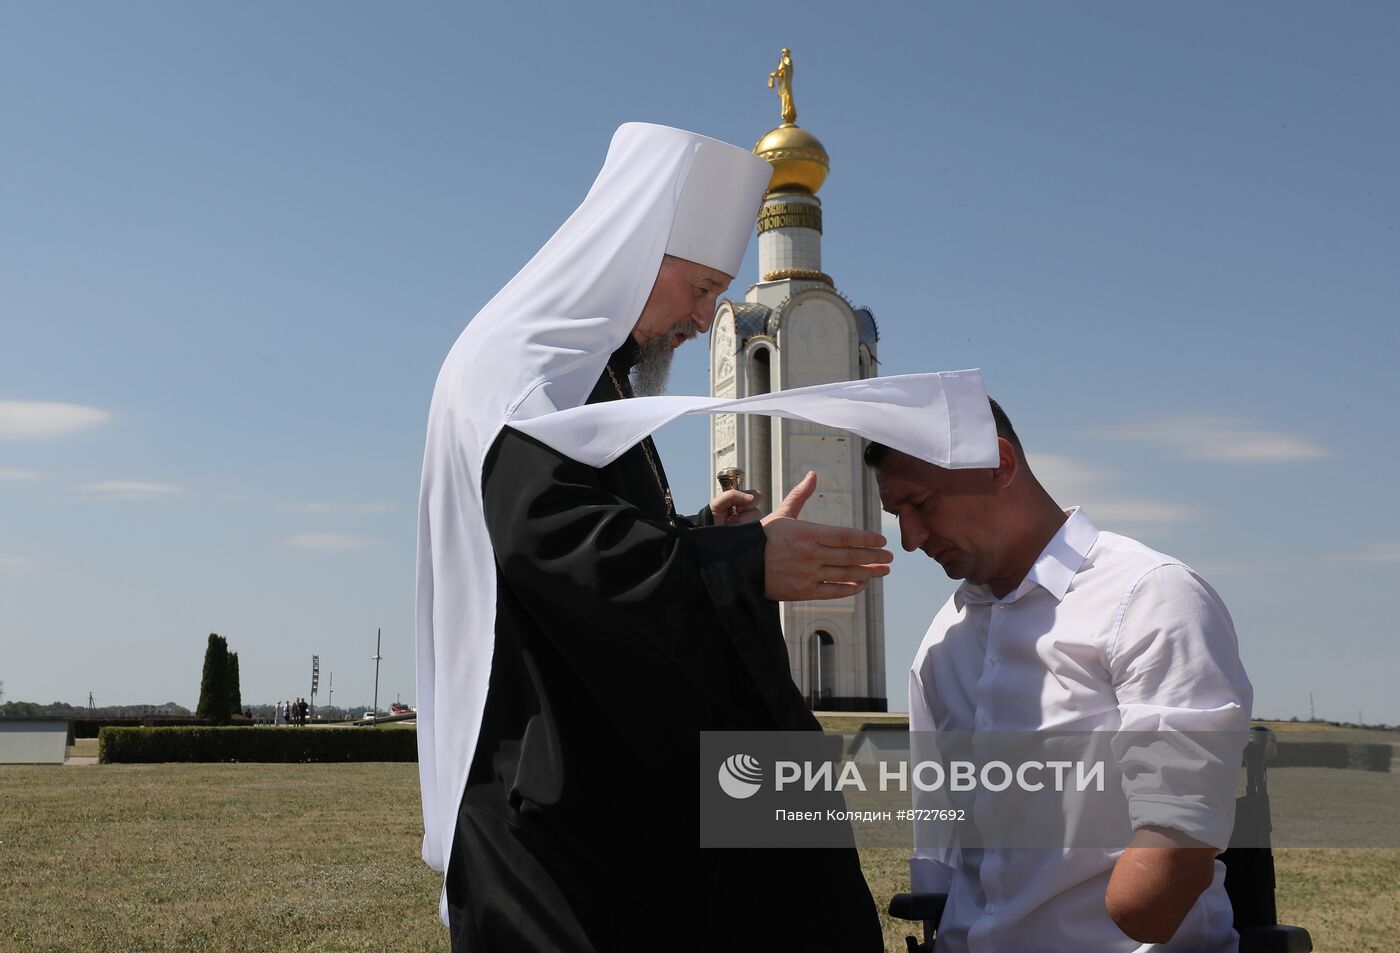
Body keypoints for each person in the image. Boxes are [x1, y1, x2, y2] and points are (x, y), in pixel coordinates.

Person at [414, 122, 1015, 953]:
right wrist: (736, 562)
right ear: (632, 256)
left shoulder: (584, 369)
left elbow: (592, 536)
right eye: (699, 290)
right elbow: (547, 544)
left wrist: (704, 532)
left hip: (584, 767)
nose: (702, 320)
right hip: (541, 791)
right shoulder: (527, 371)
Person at [867, 398, 1253, 953]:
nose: (910, 538)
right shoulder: (940, 642)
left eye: (921, 504)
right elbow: (939, 836)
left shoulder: (1149, 595)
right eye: (896, 515)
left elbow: (1180, 834)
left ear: (999, 465)